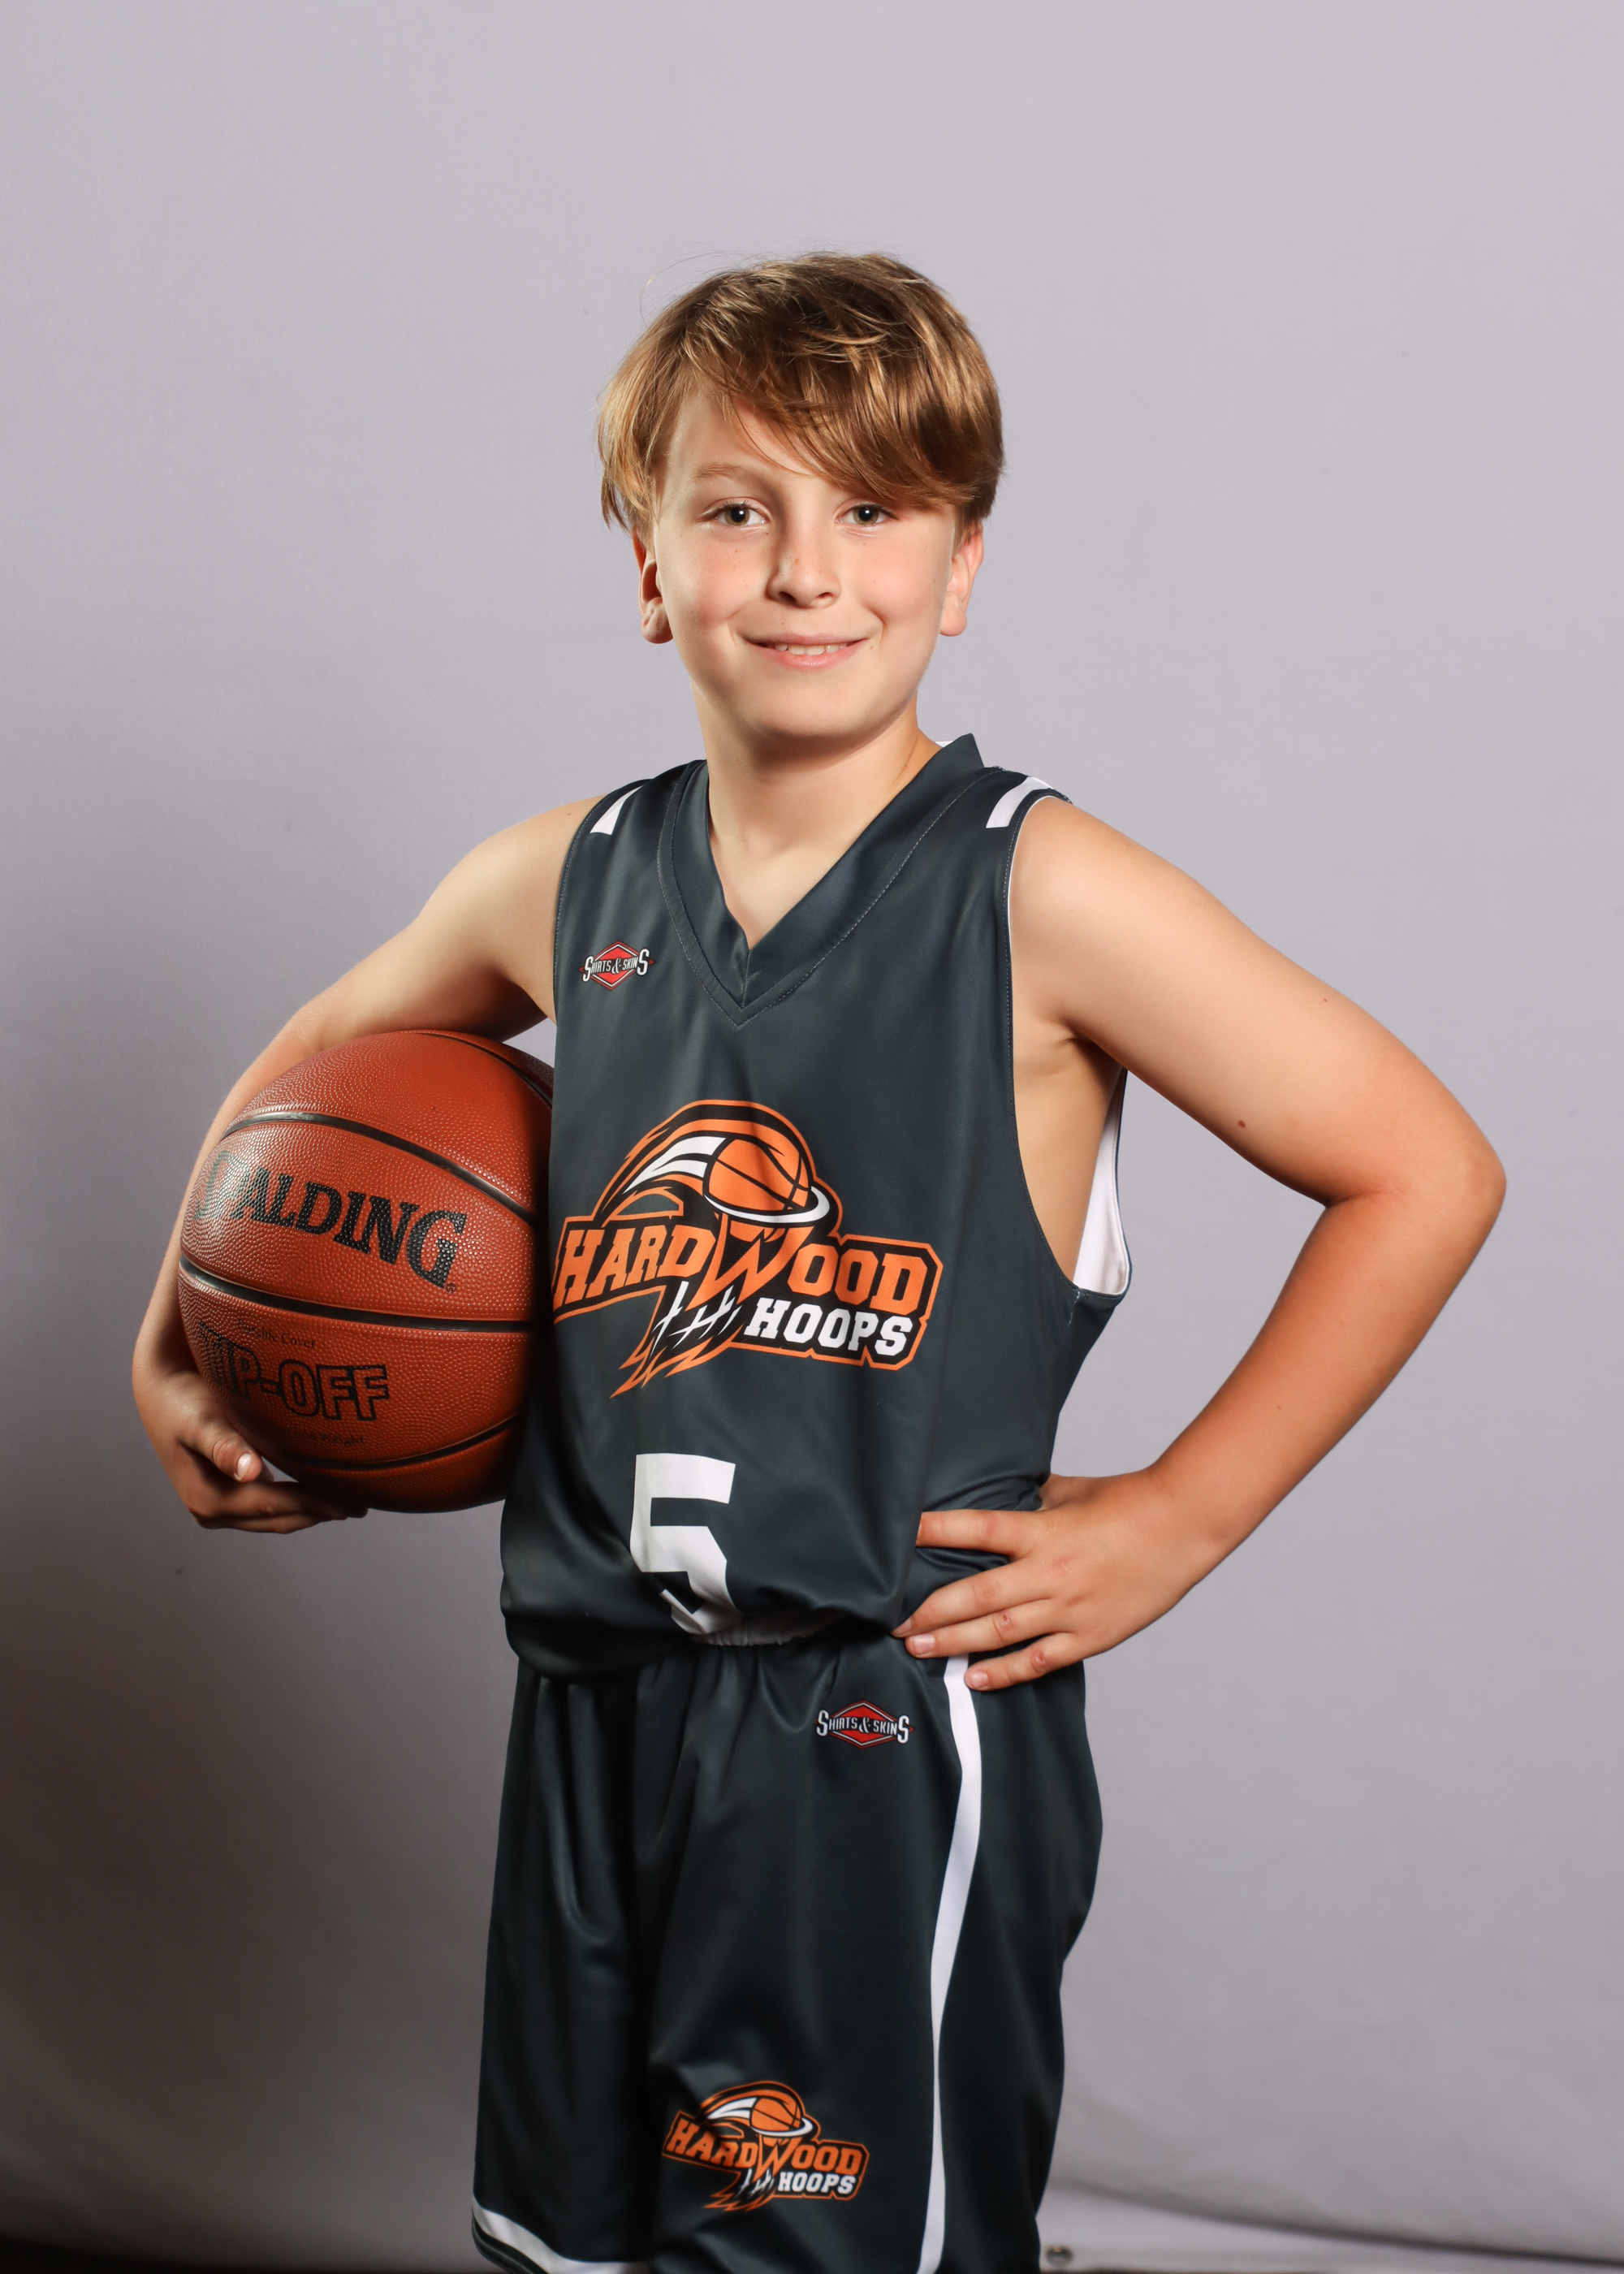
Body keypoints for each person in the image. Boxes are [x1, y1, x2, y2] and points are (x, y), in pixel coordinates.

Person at [132, 253, 1503, 2274]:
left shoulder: (1042, 889)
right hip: (595, 1696)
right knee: (566, 2243)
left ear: (961, 568)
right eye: (734, 508)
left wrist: (1185, 1513)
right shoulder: (560, 878)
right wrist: (173, 1342)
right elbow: (299, 1090)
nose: (803, 569)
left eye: (872, 508)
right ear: (647, 564)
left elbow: (1422, 1167)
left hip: (875, 1721)